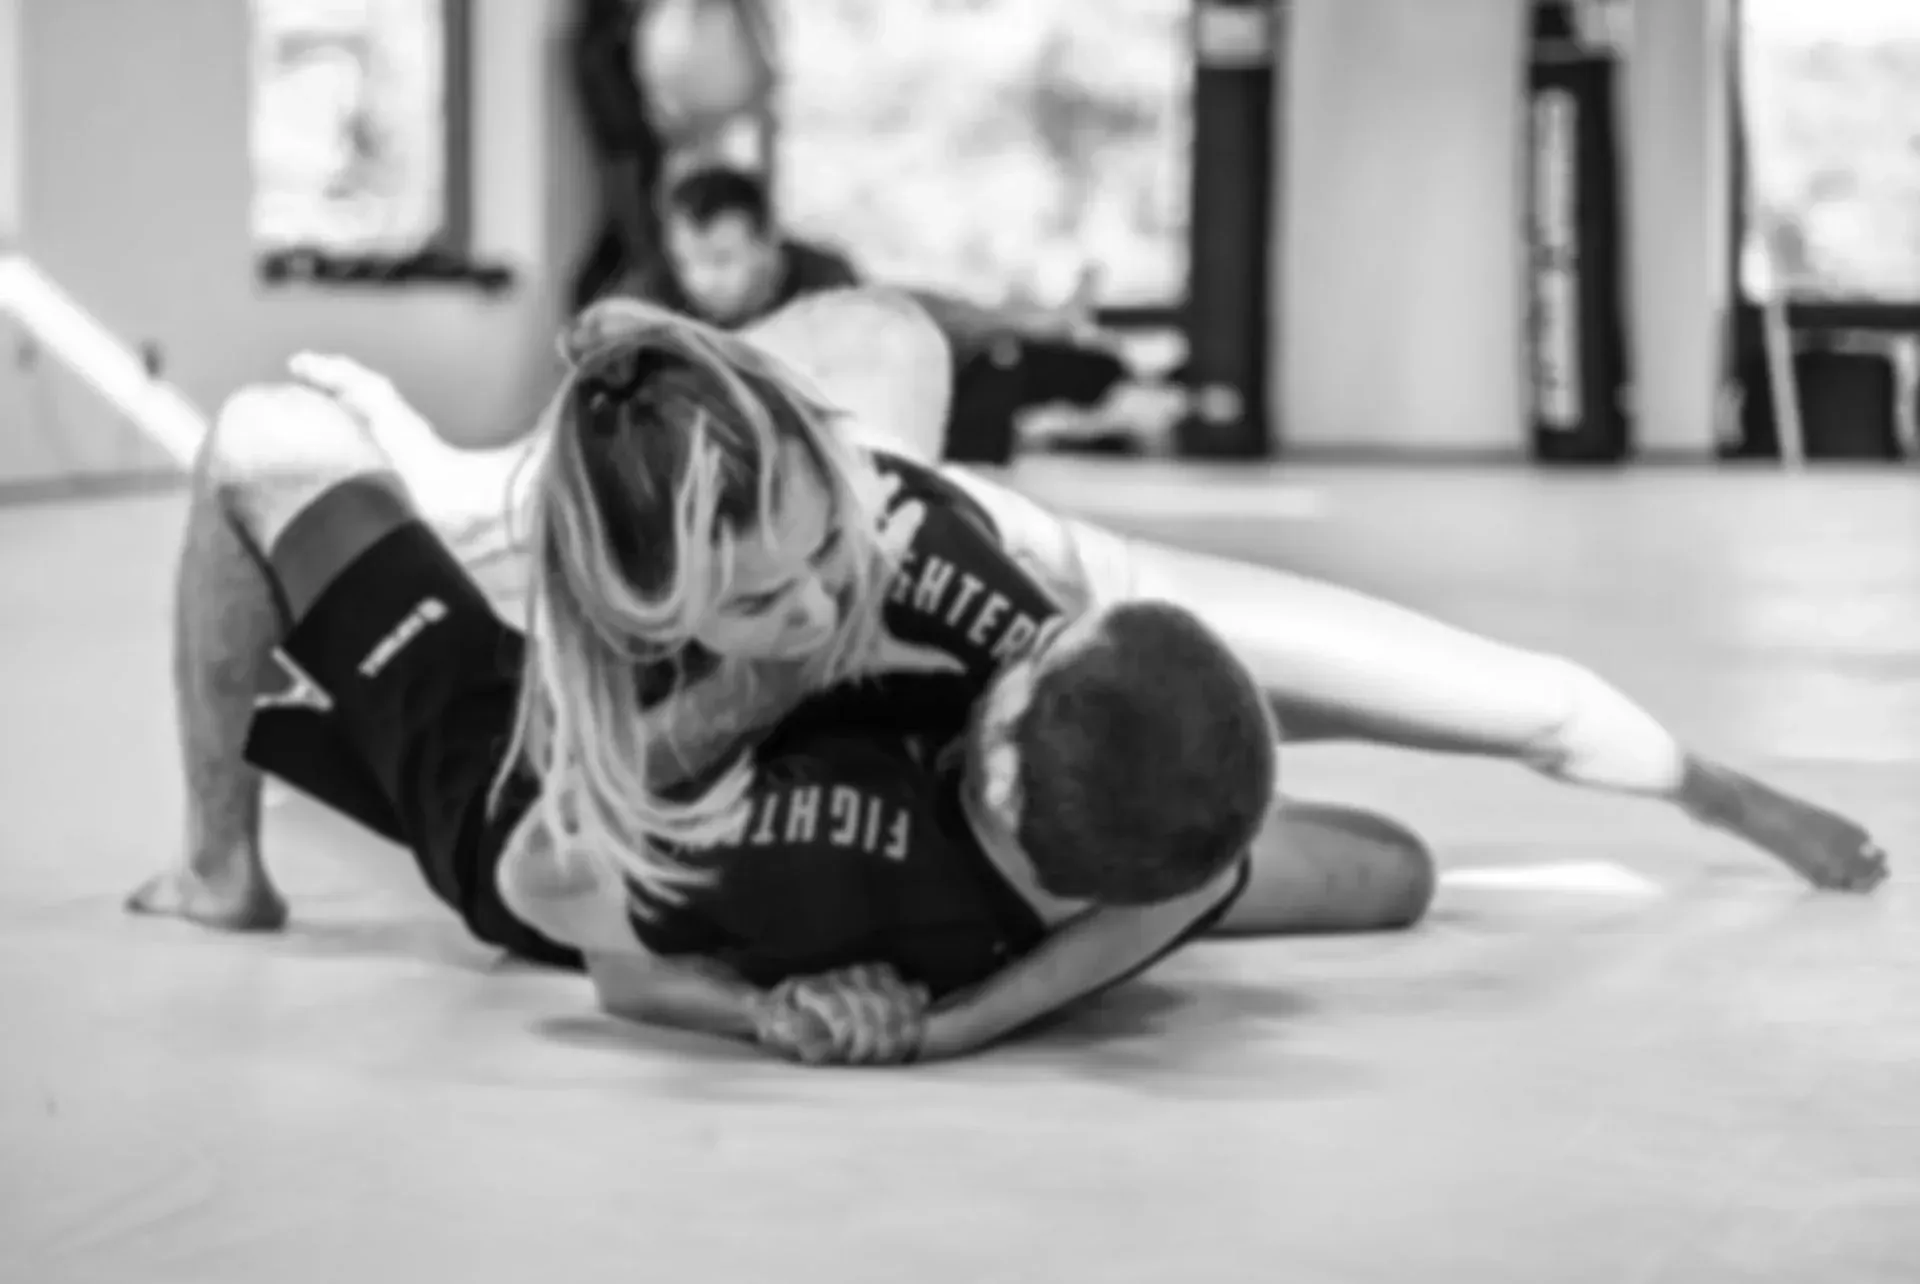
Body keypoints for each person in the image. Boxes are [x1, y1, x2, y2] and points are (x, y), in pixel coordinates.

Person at [133, 288, 1887, 1061]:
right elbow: (568, 916)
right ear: (668, 613)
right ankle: (224, 869)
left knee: (1468, 754)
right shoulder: (609, 703)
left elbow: (1196, 836)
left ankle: (479, 491)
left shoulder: (938, 546)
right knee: (266, 438)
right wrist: (789, 1008)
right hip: (589, 796)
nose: (843, 580)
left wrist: (1711, 787)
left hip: (969, 749)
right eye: (780, 593)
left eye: (831, 528)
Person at [504, 596, 1434, 1065]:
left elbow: (604, 949)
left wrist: (767, 1014)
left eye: (1035, 654)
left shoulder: (834, 850)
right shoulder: (1120, 886)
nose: (1022, 636)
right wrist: (958, 1029)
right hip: (1047, 886)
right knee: (1368, 871)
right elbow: (1396, 871)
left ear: (996, 761)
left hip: (542, 788)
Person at [621, 165, 860, 327]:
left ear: (768, 242)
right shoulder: (644, 305)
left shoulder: (829, 287)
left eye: (721, 260)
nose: (701, 281)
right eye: (684, 261)